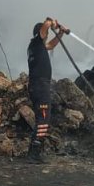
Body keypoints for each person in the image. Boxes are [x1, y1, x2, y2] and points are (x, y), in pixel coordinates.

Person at [26, 16, 69, 163]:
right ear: (40, 33)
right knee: (43, 119)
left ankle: (34, 151)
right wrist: (52, 21)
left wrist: (60, 33)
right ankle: (34, 154)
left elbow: (51, 45)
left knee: (43, 118)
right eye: (46, 33)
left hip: (39, 85)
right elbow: (44, 30)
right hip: (40, 85)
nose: (47, 36)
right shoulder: (36, 43)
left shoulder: (38, 47)